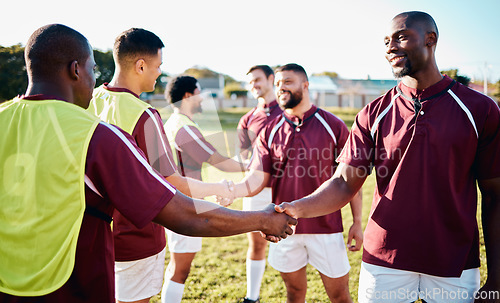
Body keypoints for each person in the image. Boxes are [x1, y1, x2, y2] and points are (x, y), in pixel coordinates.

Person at [0, 23, 296, 303]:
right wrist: (256, 214)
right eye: (92, 69)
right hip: (96, 264)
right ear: (75, 70)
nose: (94, 79)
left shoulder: (12, 117)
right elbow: (177, 200)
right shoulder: (113, 127)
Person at [275, 12, 500, 303]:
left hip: (454, 263)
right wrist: (296, 208)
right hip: (383, 261)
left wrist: (496, 280)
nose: (390, 47)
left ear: (431, 40)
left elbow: (495, 196)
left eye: (401, 37)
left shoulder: (479, 109)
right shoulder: (373, 113)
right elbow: (344, 183)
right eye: (386, 41)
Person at [86, 28, 234, 303]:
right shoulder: (145, 115)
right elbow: (172, 181)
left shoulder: (88, 100)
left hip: (90, 236)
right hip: (135, 238)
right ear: (141, 65)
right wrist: (219, 187)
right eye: (158, 66)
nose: (158, 73)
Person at [230, 63, 363, 303]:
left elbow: (351, 181)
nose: (281, 87)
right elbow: (257, 178)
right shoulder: (269, 130)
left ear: (306, 85)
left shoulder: (334, 126)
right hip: (284, 228)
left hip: (326, 228)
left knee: (340, 296)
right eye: (278, 83)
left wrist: (356, 222)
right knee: (294, 294)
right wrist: (230, 190)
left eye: (288, 82)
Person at [162, 75, 246, 303]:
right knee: (181, 270)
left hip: (180, 201)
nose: (203, 99)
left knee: (177, 267)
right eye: (200, 93)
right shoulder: (183, 127)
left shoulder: (173, 123)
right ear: (188, 96)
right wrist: (249, 166)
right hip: (184, 206)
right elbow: (216, 159)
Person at [236, 65, 283, 303]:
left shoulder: (288, 112)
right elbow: (244, 157)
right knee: (256, 244)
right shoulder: (247, 119)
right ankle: (252, 297)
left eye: (257, 80)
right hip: (256, 192)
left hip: (285, 190)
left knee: (291, 246)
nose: (253, 85)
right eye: (250, 82)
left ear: (271, 79)